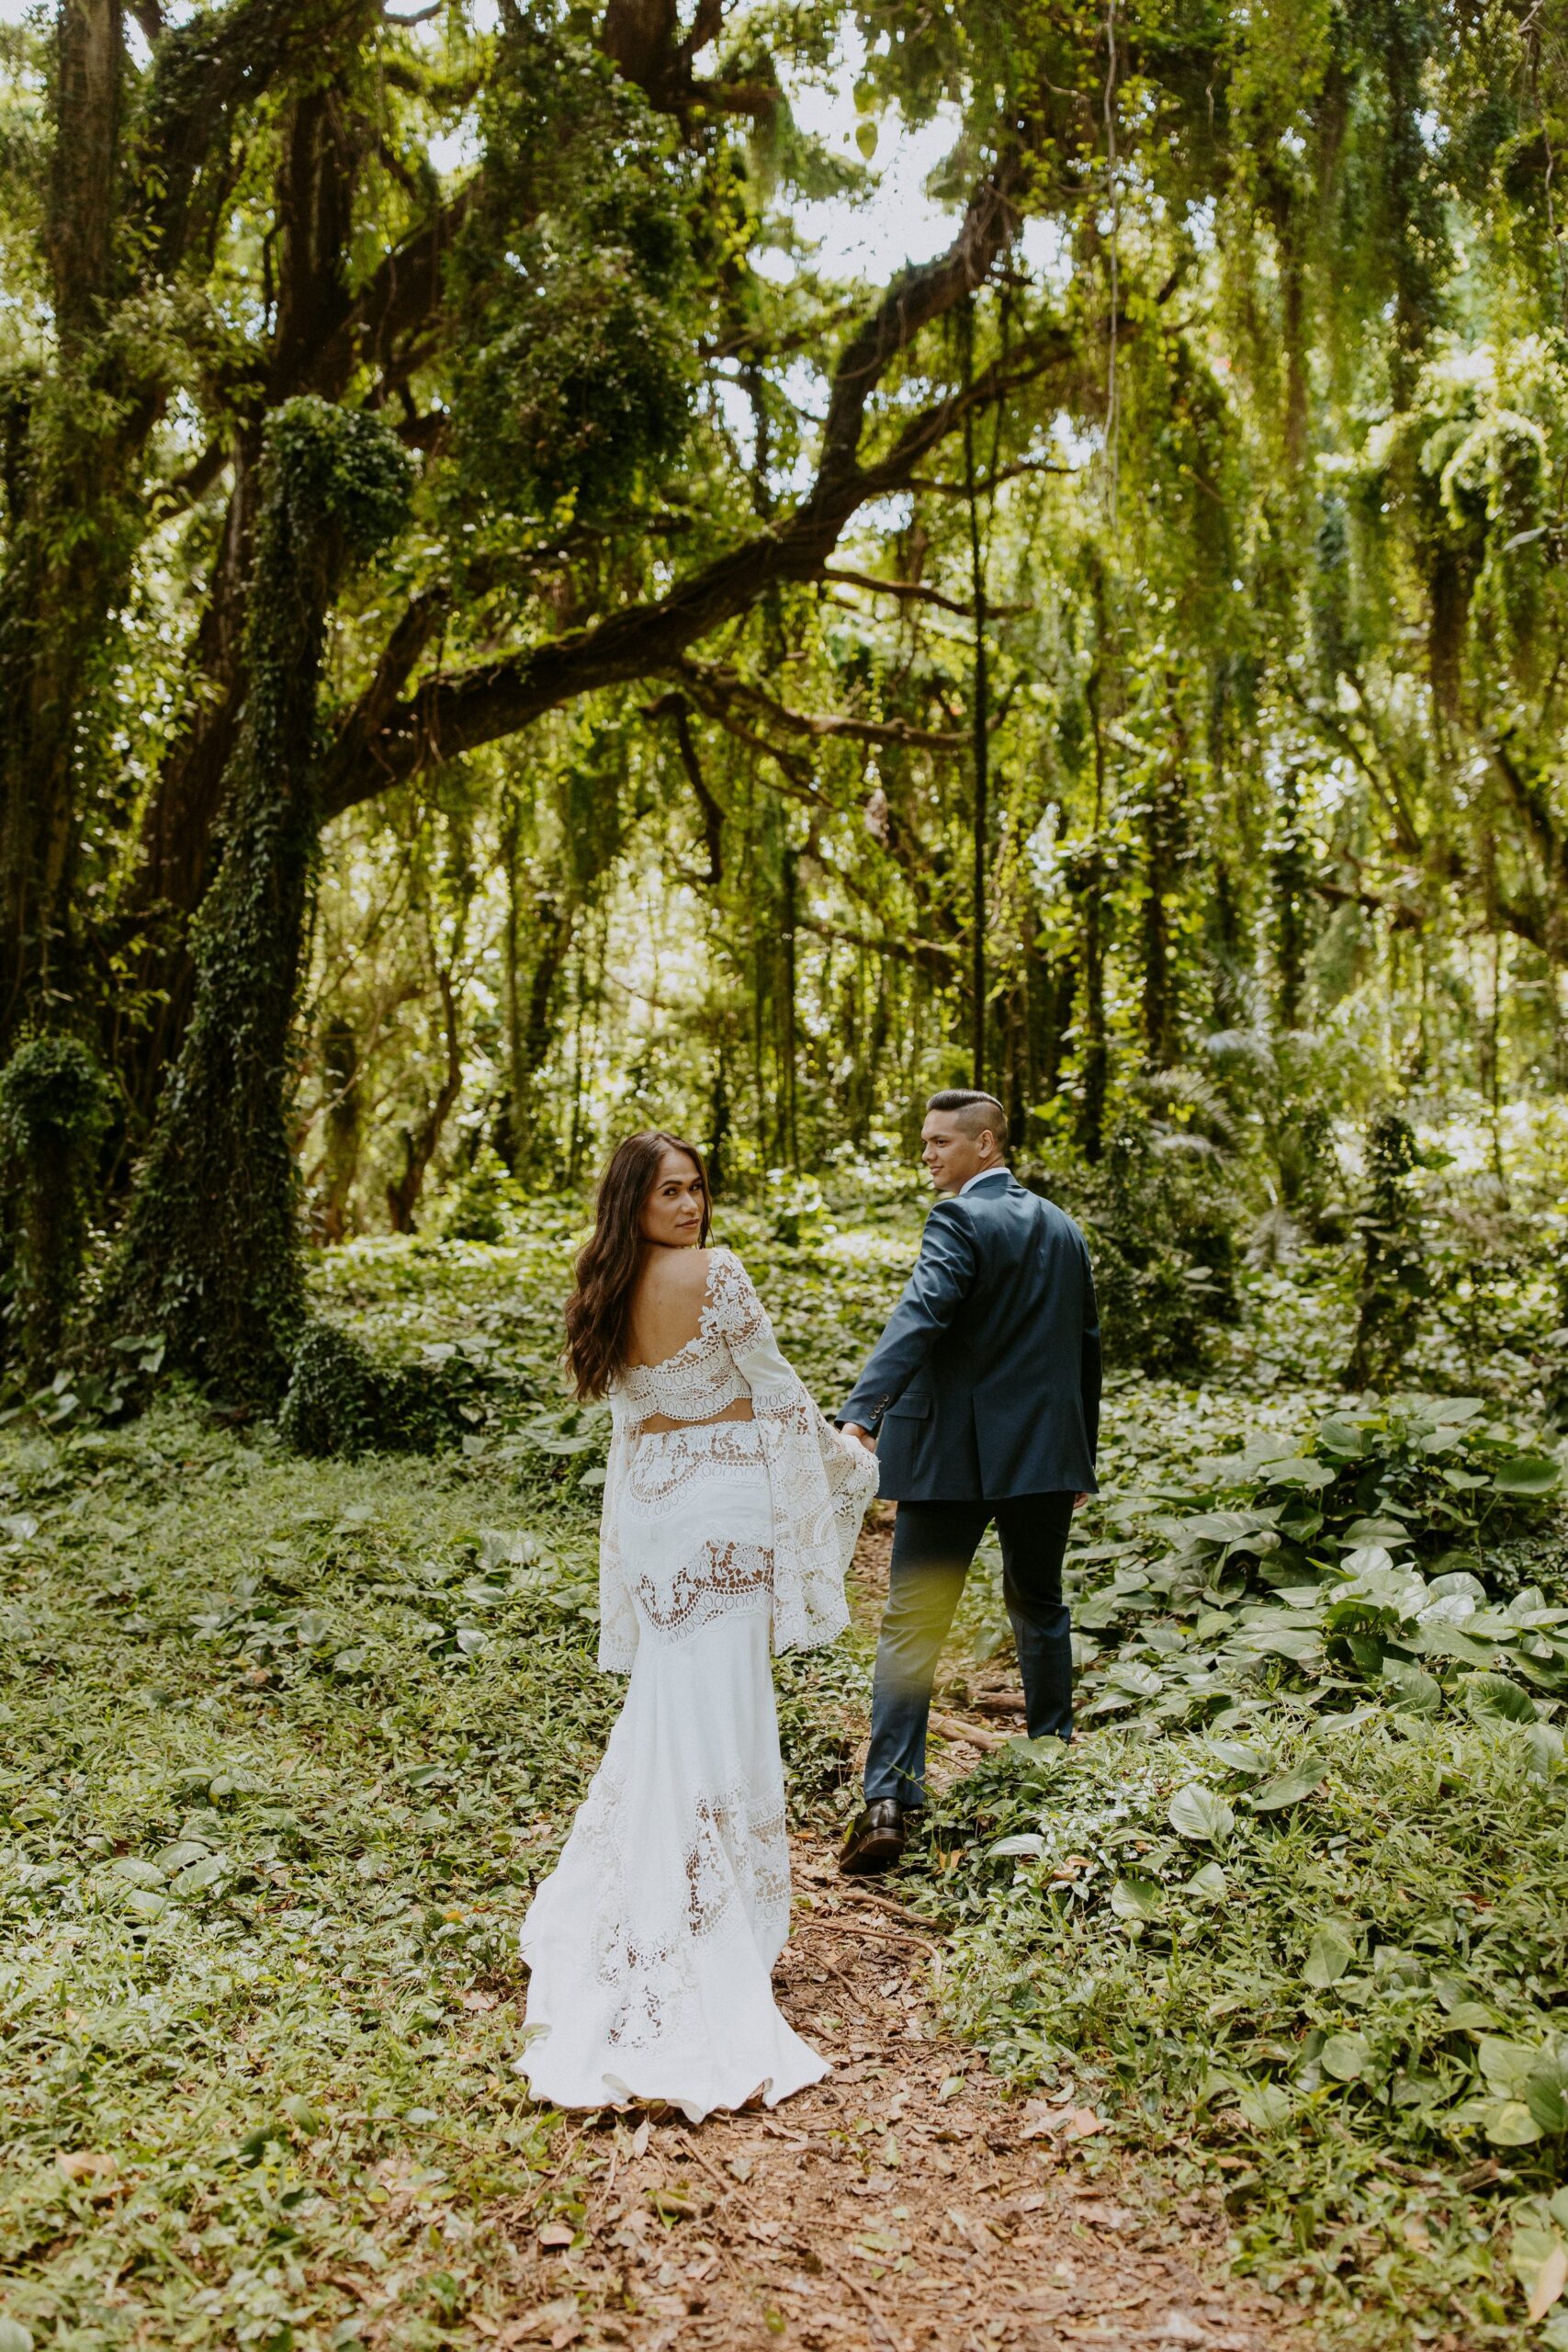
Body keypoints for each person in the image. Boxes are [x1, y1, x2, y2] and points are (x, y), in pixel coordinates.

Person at [518, 1131, 877, 2120]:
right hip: (719, 1516)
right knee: (718, 1712)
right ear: (633, 1201)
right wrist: (848, 1456)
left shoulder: (604, 1288)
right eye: (669, 1191)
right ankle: (712, 1923)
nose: (690, 1204)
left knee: (673, 1706)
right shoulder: (718, 1274)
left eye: (697, 1187)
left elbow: (631, 1427)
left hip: (658, 1516)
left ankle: (663, 1894)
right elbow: (775, 1391)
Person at [835, 1090, 1100, 1876]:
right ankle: (1052, 1759)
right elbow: (1085, 1346)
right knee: (1040, 1606)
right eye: (923, 1142)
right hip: (1043, 1458)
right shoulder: (1063, 1226)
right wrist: (1078, 1451)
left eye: (940, 1142)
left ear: (986, 1145)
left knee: (912, 1622)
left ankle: (887, 1796)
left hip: (952, 1459)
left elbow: (920, 1314)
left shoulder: (958, 1219)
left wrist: (862, 1412)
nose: (927, 1155)